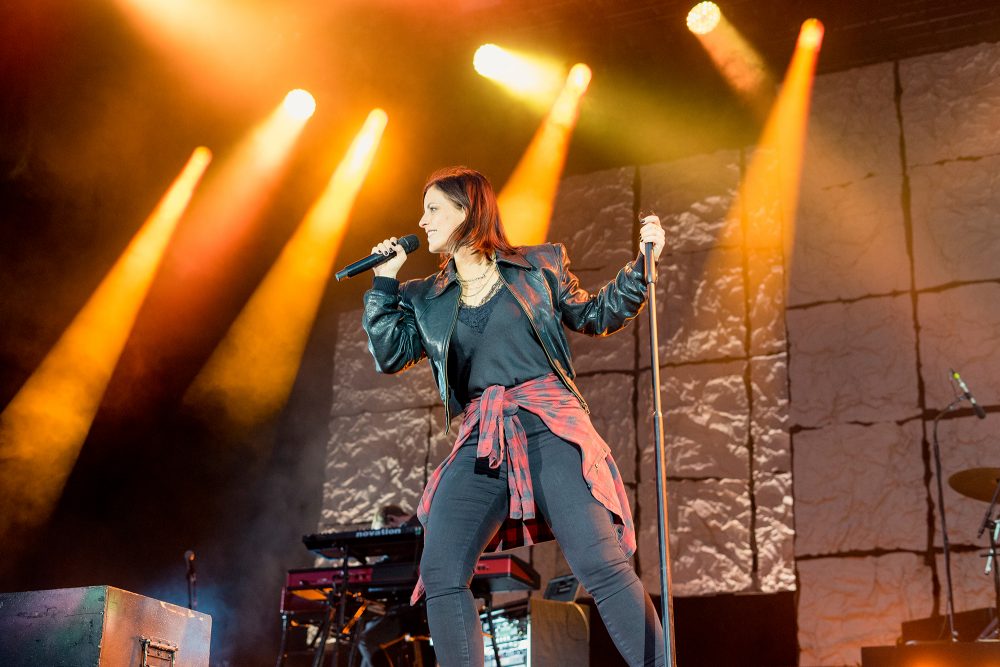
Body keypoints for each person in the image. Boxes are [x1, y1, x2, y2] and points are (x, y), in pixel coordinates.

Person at [361, 166, 666, 667]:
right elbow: (391, 355)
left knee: (600, 564)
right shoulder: (424, 297)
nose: (423, 220)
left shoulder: (539, 265)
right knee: (439, 574)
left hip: (548, 423)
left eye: (434, 208)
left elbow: (595, 315)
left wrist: (642, 268)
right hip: (483, 437)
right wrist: (383, 285)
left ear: (467, 211)